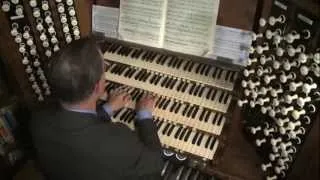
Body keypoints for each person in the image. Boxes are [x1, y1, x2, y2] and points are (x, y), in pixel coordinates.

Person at [30, 37, 164, 180]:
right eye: (104, 68)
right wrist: (144, 115)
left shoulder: (38, 120)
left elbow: (77, 128)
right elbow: (155, 162)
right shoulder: (117, 140)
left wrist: (107, 109)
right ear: (97, 87)